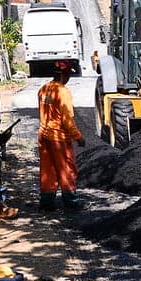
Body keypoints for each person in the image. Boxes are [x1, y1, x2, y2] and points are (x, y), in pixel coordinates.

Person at [37, 60, 86, 211]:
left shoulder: (43, 89)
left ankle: (46, 202)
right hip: (59, 138)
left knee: (48, 170)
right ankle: (72, 202)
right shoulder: (63, 92)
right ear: (65, 75)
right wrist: (78, 137)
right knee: (66, 169)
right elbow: (66, 119)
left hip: (44, 135)